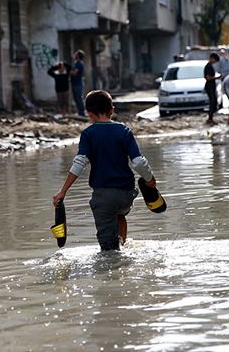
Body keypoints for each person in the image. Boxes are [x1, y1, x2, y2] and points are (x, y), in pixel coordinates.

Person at [52, 90, 157, 251]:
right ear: (111, 110)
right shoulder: (124, 131)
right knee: (120, 214)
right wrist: (150, 180)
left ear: (89, 114)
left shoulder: (88, 134)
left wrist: (63, 191)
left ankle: (115, 266)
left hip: (104, 197)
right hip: (126, 194)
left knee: (108, 251)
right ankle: (123, 244)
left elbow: (80, 163)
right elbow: (138, 162)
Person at [204, 53, 220, 125]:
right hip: (209, 86)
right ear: (212, 58)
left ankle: (211, 118)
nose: (215, 62)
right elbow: (208, 77)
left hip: (212, 86)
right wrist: (217, 77)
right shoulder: (208, 66)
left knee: (214, 102)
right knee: (212, 102)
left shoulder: (210, 66)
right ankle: (210, 119)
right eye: (215, 60)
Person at [70, 50, 86, 117]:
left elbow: (74, 73)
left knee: (79, 98)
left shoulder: (79, 64)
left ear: (78, 56)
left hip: (78, 84)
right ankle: (80, 112)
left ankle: (82, 113)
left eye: (76, 54)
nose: (74, 55)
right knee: (76, 99)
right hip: (75, 83)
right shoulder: (76, 63)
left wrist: (69, 72)